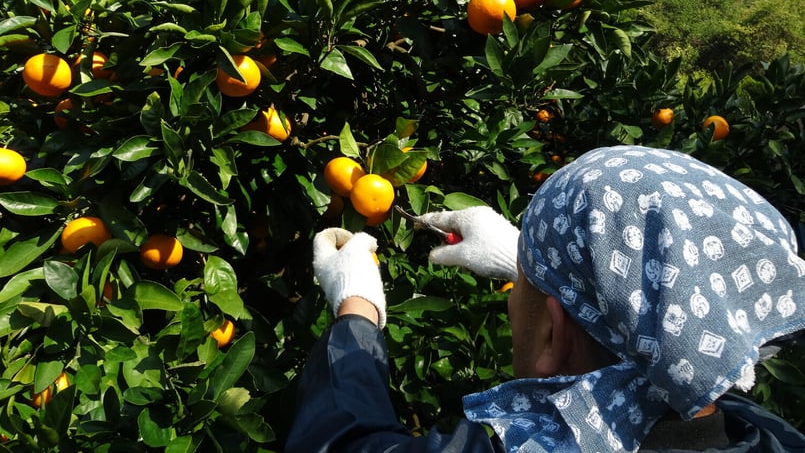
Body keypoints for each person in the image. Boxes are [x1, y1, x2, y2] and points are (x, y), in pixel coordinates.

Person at [286, 145, 805, 452]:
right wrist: (541, 260)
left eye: (522, 284)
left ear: (554, 332)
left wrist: (356, 309)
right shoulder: (758, 434)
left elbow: (342, 443)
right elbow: (675, 321)